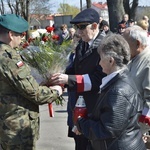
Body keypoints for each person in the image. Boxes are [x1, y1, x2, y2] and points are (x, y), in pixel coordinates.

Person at [0, 14, 63, 150]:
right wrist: (56, 91)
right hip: (16, 129)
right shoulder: (8, 59)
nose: (23, 38)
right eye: (21, 34)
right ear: (11, 34)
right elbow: (34, 93)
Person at [75, 34, 146, 150]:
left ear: (110, 60)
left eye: (101, 58)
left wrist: (80, 123)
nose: (99, 63)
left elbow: (106, 131)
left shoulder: (118, 91)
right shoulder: (119, 81)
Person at [50, 8, 106, 150]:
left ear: (94, 26)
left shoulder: (105, 45)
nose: (78, 32)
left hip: (95, 108)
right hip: (79, 106)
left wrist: (67, 79)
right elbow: (75, 68)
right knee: (79, 144)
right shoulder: (82, 43)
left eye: (82, 27)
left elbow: (99, 79)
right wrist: (56, 76)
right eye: (76, 27)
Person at [122, 25, 150, 148]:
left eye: (125, 44)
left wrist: (143, 130)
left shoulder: (148, 61)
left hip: (139, 131)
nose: (122, 48)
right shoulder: (134, 58)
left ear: (137, 44)